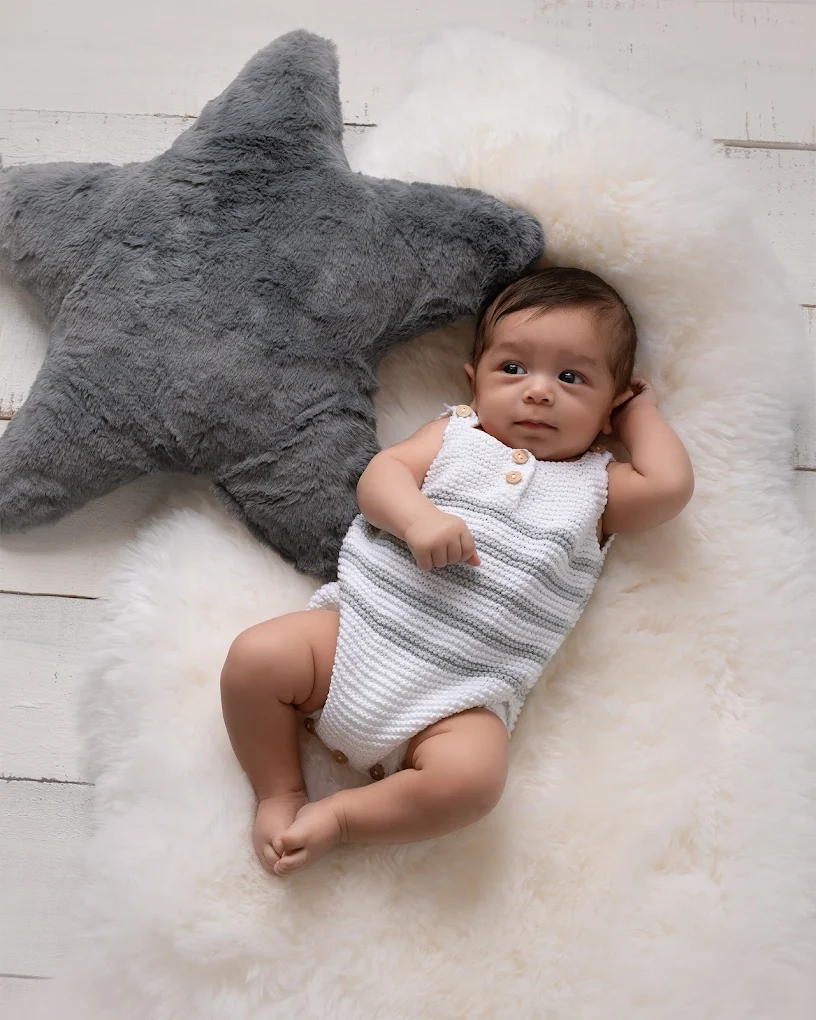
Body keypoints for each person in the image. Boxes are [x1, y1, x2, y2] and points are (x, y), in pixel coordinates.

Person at [220, 265, 694, 877]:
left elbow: (669, 486)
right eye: (513, 368)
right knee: (255, 659)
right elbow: (381, 476)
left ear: (609, 407)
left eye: (572, 378)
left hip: (457, 700)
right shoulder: (456, 435)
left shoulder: (597, 489)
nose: (539, 391)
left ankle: (343, 818)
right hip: (356, 637)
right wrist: (417, 519)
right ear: (474, 381)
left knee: (474, 783)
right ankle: (279, 791)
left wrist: (639, 415)